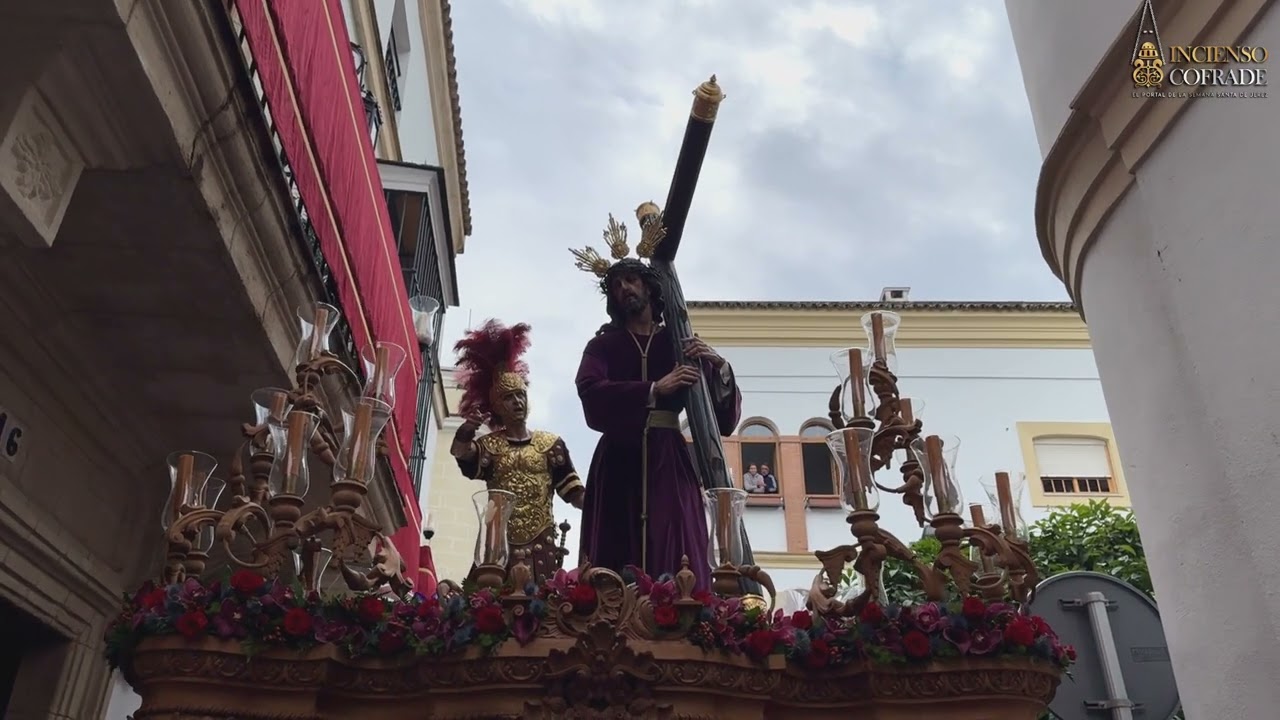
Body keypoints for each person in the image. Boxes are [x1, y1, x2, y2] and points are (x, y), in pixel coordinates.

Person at [570, 218, 741, 590]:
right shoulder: (603, 346)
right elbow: (590, 391)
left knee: (675, 540)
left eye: (630, 280)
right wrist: (653, 388)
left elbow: (720, 421)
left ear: (649, 286)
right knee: (616, 554)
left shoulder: (677, 342)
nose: (624, 289)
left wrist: (718, 366)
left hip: (669, 460)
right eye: (616, 286)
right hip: (618, 460)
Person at [449, 319, 584, 583]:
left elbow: (574, 493)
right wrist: (467, 430)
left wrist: (605, 506)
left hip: (540, 544)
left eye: (520, 395)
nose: (517, 402)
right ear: (497, 406)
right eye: (509, 398)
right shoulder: (490, 446)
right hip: (497, 543)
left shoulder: (550, 445)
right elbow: (461, 453)